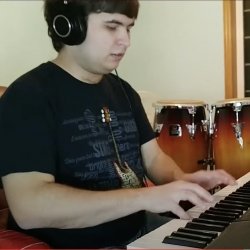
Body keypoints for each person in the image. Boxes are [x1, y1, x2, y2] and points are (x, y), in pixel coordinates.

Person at [0, 0, 236, 248]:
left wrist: (184, 179)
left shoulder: (123, 91)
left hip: (137, 229)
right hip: (78, 244)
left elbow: (153, 159)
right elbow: (29, 207)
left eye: (128, 28)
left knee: (229, 239)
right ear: (68, 26)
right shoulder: (28, 96)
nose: (125, 41)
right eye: (112, 27)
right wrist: (145, 197)